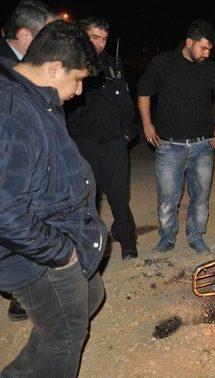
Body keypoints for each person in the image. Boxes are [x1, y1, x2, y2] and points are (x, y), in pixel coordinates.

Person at [0, 20, 107, 377]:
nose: (79, 91)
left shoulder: (35, 97)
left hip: (55, 231)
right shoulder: (14, 114)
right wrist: (61, 253)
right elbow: (5, 213)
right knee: (65, 336)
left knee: (91, 295)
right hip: (34, 255)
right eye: (77, 79)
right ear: (53, 67)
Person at [137, 20, 215, 253]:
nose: (207, 53)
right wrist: (147, 124)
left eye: (210, 49)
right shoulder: (163, 63)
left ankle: (196, 235)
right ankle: (167, 237)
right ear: (189, 42)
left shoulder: (210, 68)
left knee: (200, 196)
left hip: (203, 145)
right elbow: (143, 91)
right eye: (203, 48)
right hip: (169, 145)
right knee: (167, 197)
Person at [0, 0, 58, 323]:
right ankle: (21, 293)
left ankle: (22, 293)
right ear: (24, 34)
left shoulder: (32, 62)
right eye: (44, 33)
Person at [66, 17, 138, 260]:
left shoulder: (113, 66)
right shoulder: (69, 63)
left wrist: (127, 134)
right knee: (85, 201)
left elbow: (127, 105)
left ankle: (128, 242)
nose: (99, 43)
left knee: (120, 197)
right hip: (81, 144)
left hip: (113, 144)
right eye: (94, 37)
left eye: (104, 38)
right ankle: (87, 249)